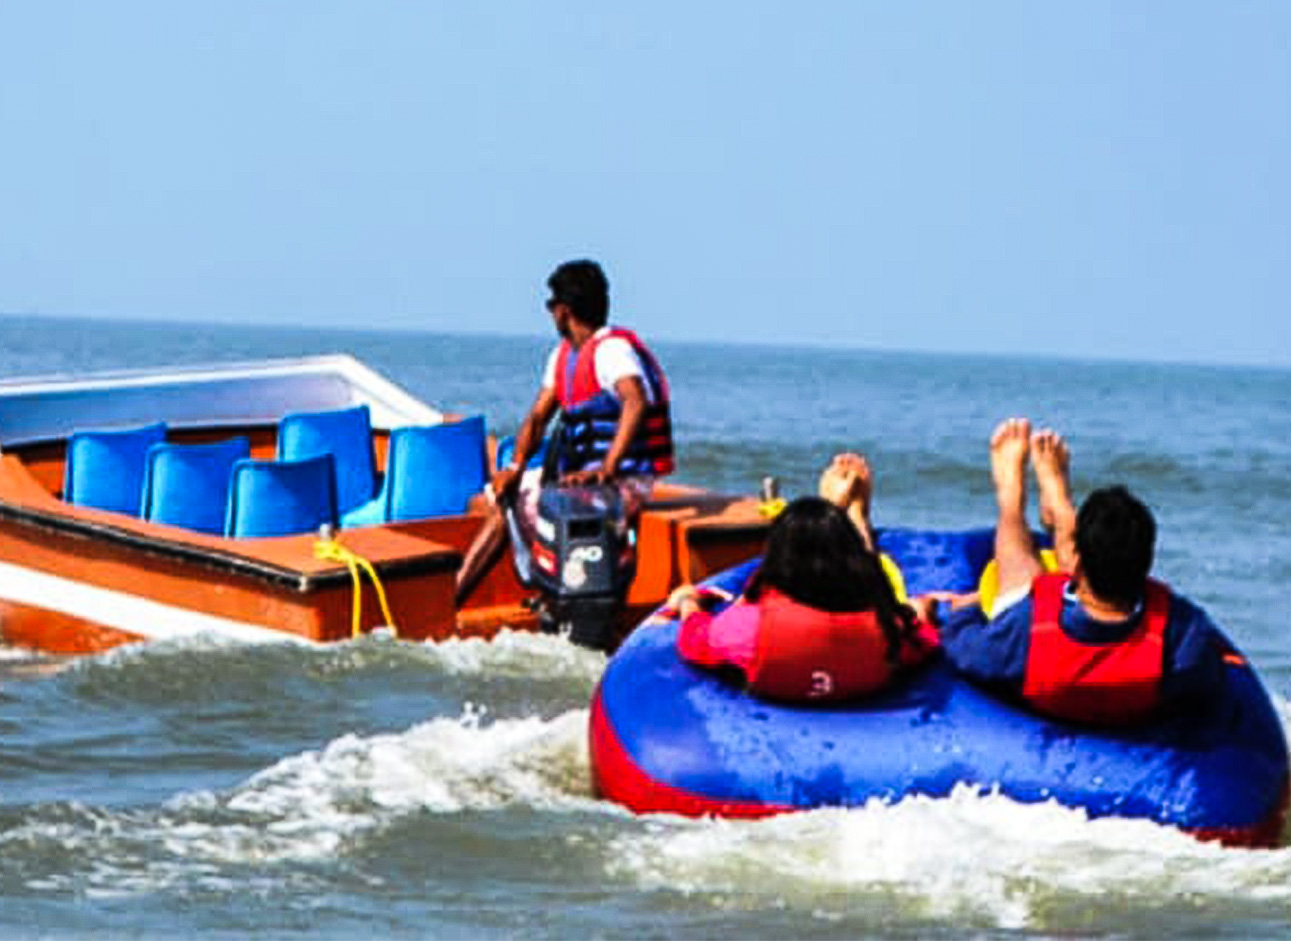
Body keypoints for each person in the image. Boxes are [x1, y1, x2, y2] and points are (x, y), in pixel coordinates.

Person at [939, 418, 1229, 725]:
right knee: (1102, 557)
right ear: (1147, 563)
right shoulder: (1180, 633)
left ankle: (1012, 496)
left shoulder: (1025, 629)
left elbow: (967, 652)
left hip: (1047, 668)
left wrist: (964, 613)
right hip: (1128, 677)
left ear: (1073, 566)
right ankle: (1059, 502)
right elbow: (1208, 677)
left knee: (1020, 570)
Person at [454, 259, 674, 606]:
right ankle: (473, 594)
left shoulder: (612, 352)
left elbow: (636, 401)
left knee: (524, 503)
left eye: (550, 305)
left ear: (563, 310)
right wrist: (514, 467)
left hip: (625, 479)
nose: (550, 314)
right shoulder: (564, 357)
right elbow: (538, 418)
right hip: (581, 478)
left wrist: (608, 467)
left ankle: (475, 596)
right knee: (500, 495)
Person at [670, 492, 939, 704]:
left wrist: (689, 602)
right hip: (864, 687)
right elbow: (925, 642)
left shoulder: (749, 628)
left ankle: (846, 505)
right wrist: (923, 612)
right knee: (912, 608)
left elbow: (694, 640)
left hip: (778, 692)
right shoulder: (886, 629)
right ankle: (853, 513)